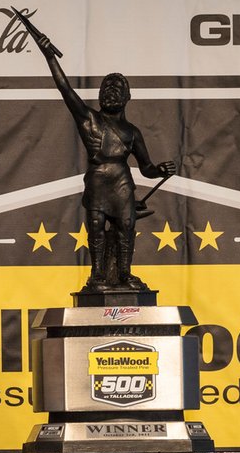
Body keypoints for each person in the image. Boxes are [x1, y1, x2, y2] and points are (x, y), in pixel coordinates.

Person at [33, 33, 176, 292]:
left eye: (117, 90)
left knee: (126, 228)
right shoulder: (90, 120)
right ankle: (97, 275)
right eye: (106, 90)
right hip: (98, 179)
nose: (111, 94)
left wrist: (160, 170)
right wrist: (49, 56)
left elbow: (146, 167)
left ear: (127, 98)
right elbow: (65, 89)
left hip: (122, 183)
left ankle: (124, 274)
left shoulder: (132, 132)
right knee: (96, 229)